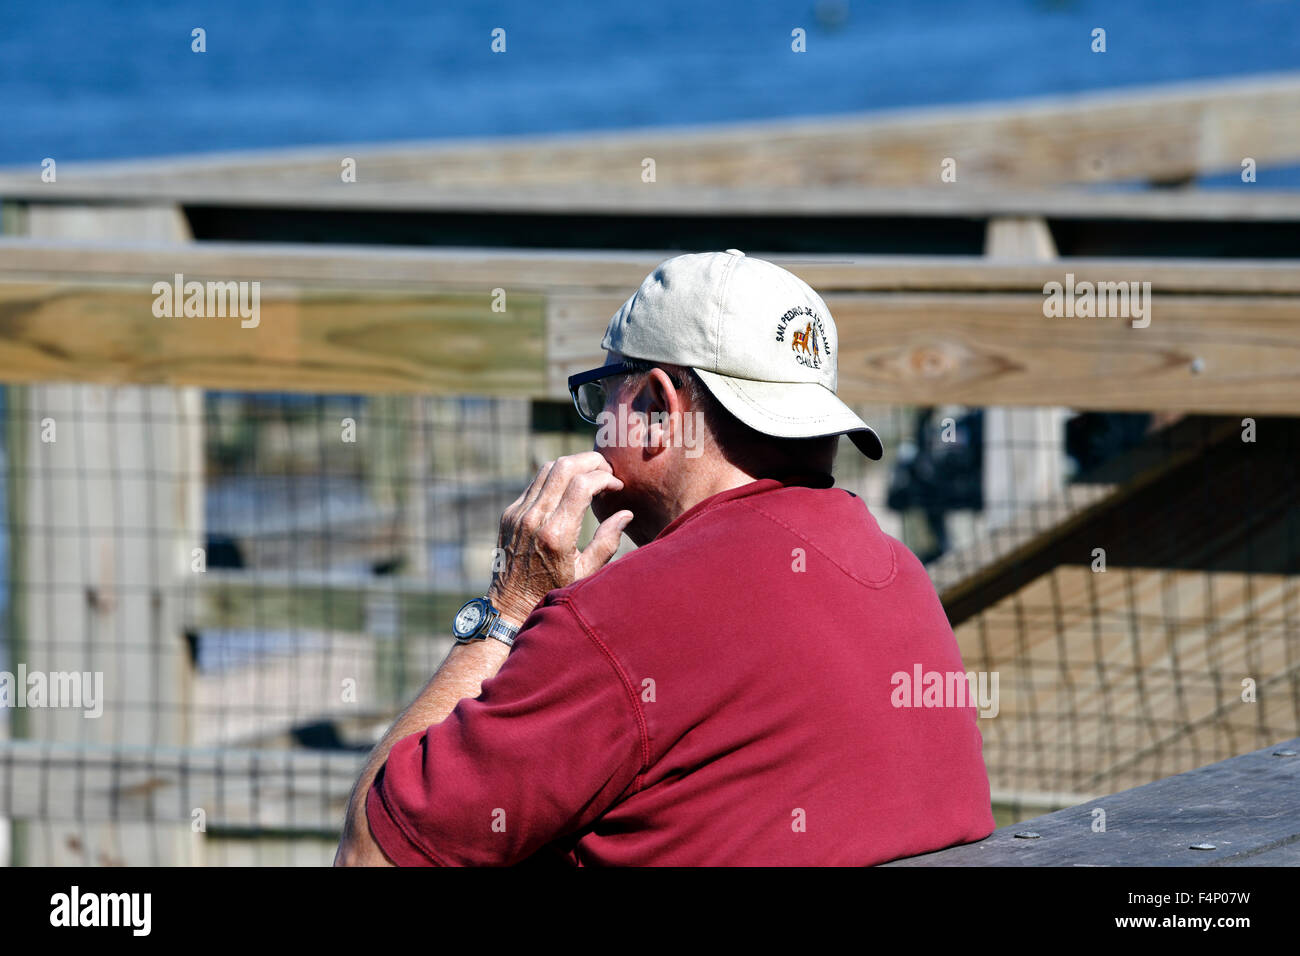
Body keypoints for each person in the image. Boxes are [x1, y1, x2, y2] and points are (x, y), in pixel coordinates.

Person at [336, 249, 994, 866]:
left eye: (603, 396)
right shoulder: (901, 575)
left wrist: (508, 610)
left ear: (654, 405)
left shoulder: (622, 619)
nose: (595, 424)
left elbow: (374, 852)